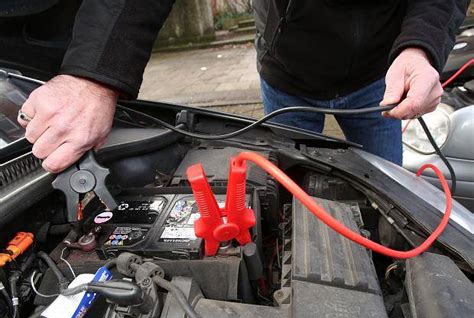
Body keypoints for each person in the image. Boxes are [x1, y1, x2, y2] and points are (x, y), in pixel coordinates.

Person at [17, 1, 468, 172]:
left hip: (379, 84)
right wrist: (95, 74)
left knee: (388, 188)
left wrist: (421, 48)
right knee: (293, 184)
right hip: (289, 81)